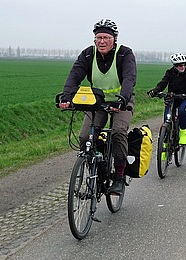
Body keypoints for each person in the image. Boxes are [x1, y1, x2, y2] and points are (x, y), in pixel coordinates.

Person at [59, 18, 136, 195]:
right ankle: (98, 165)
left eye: (106, 37)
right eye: (98, 37)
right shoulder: (88, 54)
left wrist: (122, 99)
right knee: (85, 137)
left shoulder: (124, 54)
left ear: (114, 39)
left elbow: (129, 79)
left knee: (118, 132)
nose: (101, 41)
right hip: (97, 102)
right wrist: (66, 96)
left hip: (121, 102)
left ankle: (118, 177)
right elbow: (74, 76)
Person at [147, 53, 186, 145]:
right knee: (167, 118)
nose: (182, 67)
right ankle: (164, 147)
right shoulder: (169, 72)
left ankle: (182, 134)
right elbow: (163, 83)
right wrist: (155, 91)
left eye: (184, 64)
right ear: (174, 66)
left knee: (182, 111)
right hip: (172, 98)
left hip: (185, 98)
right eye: (179, 65)